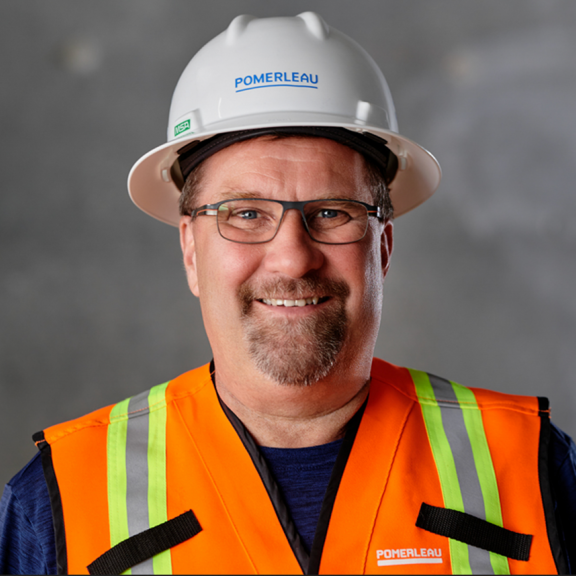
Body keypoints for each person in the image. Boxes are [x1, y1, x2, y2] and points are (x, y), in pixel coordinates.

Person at [1, 12, 575, 576]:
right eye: (245, 213)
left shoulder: (533, 465)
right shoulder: (57, 503)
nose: (293, 257)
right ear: (191, 251)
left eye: (332, 212)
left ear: (384, 247)